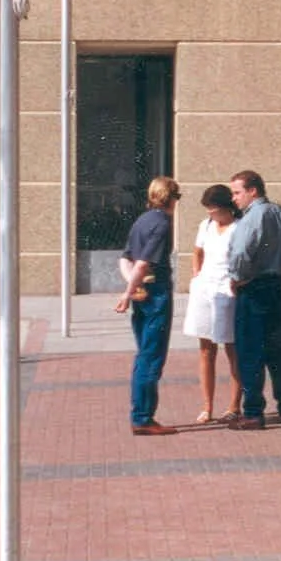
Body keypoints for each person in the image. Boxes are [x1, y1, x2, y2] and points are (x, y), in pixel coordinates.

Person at [224, 168, 281, 430]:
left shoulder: (252, 218)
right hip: (279, 288)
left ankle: (253, 412)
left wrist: (237, 278)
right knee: (278, 352)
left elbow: (241, 254)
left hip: (255, 289)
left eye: (237, 192)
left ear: (252, 191)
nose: (234, 198)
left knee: (250, 352)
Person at [116, 174, 183, 436]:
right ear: (170, 198)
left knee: (143, 353)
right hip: (155, 293)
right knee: (151, 356)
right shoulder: (163, 224)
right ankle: (143, 417)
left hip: (144, 291)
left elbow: (126, 259)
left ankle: (140, 414)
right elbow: (143, 263)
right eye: (177, 197)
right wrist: (128, 290)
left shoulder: (141, 221)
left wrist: (134, 286)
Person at [181, 181, 244, 424]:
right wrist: (196, 275)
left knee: (232, 349)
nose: (210, 213)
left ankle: (233, 405)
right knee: (206, 349)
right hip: (205, 289)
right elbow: (197, 252)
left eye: (213, 209)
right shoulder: (205, 225)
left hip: (227, 291)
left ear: (226, 207)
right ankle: (207, 406)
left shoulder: (238, 228)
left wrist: (235, 283)